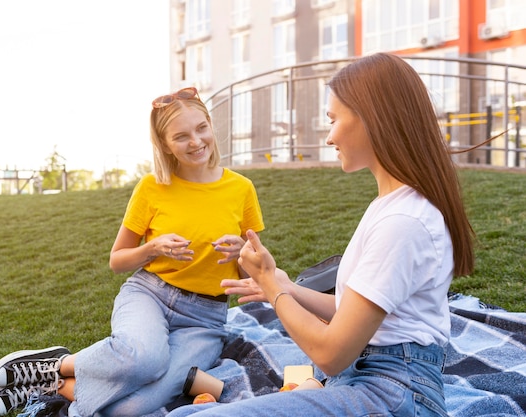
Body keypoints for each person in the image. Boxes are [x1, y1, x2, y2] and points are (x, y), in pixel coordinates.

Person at [165, 52, 475, 417]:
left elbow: (330, 354)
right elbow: (353, 313)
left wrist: (274, 287)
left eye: (333, 120)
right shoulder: (390, 206)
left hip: (394, 394)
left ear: (371, 119)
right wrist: (285, 287)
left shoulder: (404, 222)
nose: (329, 137)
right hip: (367, 381)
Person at [0, 86, 265, 417]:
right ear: (165, 145)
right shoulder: (151, 188)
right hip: (151, 294)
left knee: (129, 409)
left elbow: (255, 277)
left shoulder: (241, 188)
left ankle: (50, 385)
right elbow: (117, 261)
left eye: (202, 128)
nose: (196, 141)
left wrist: (243, 253)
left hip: (205, 319)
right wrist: (153, 248)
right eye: (181, 136)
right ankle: (56, 364)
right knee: (143, 360)